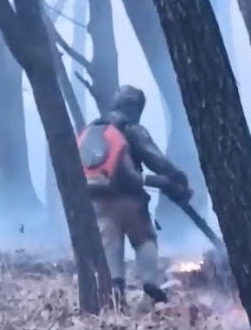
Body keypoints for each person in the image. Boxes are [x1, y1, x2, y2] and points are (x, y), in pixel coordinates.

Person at [77, 85, 192, 305]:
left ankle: (116, 294)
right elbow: (157, 160)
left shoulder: (93, 129)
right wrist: (178, 180)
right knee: (144, 239)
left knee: (110, 244)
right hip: (130, 200)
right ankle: (150, 284)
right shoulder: (131, 129)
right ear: (137, 108)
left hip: (97, 199)